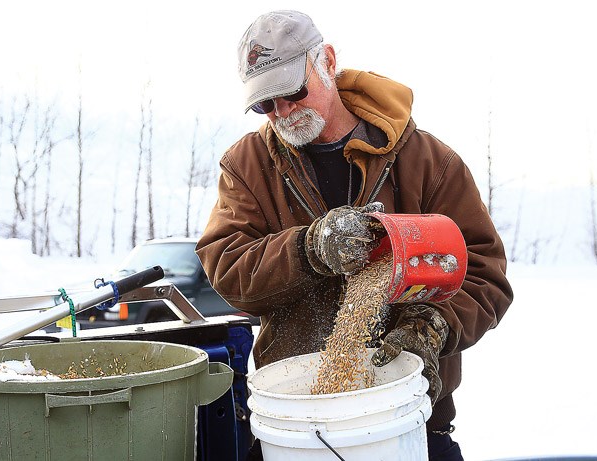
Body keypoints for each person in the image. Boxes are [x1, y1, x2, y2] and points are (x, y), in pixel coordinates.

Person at [195, 10, 513, 461]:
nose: (282, 112)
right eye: (265, 104)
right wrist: (310, 250)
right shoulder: (247, 166)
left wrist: (434, 325)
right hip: (296, 423)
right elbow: (228, 267)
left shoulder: (428, 161)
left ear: (325, 60)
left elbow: (483, 272)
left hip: (406, 416)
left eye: (290, 91)